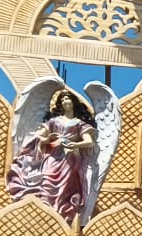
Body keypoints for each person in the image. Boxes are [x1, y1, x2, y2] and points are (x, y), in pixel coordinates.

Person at [6, 91, 97, 223]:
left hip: (69, 158)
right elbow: (38, 136)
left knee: (65, 186)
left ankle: (61, 215)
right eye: (63, 100)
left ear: (73, 102)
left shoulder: (79, 124)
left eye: (68, 99)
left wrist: (74, 144)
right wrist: (47, 139)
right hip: (53, 156)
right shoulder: (54, 121)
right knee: (47, 180)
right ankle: (46, 214)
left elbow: (89, 142)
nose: (65, 102)